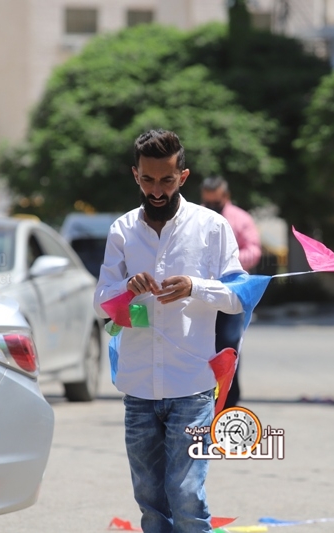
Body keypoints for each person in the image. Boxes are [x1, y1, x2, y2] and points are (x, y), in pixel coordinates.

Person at [94, 130, 246, 533]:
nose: (157, 190)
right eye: (147, 179)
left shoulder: (212, 228)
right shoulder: (122, 230)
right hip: (138, 388)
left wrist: (196, 287)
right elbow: (101, 303)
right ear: (135, 175)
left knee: (186, 495)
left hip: (192, 384)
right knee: (150, 501)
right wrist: (127, 288)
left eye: (166, 180)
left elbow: (238, 296)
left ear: (183, 176)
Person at [201, 177, 261, 408]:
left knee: (228, 345)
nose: (211, 207)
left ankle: (229, 401)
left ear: (226, 197)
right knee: (202, 345)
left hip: (232, 293)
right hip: (204, 294)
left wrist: (228, 263)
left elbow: (254, 250)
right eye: (208, 202)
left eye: (215, 203)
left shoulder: (240, 219)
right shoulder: (198, 218)